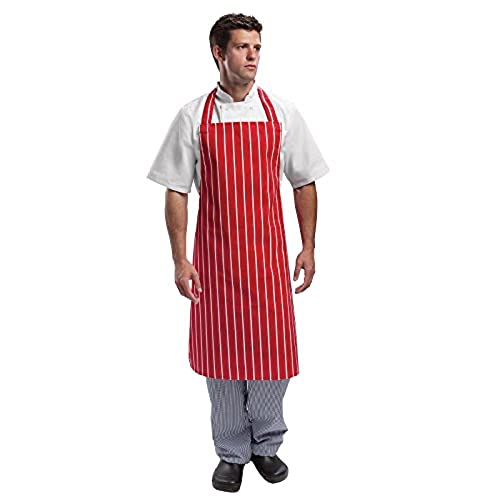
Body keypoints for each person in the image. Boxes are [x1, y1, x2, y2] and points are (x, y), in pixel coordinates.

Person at [146, 13, 330, 492]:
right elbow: (175, 190)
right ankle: (231, 452)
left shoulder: (282, 113)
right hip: (215, 263)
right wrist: (179, 259)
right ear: (219, 52)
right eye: (243, 47)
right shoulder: (193, 117)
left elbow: (304, 181)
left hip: (268, 263)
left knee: (271, 357)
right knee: (222, 362)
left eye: (257, 47)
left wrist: (308, 246)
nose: (253, 56)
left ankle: (266, 445)